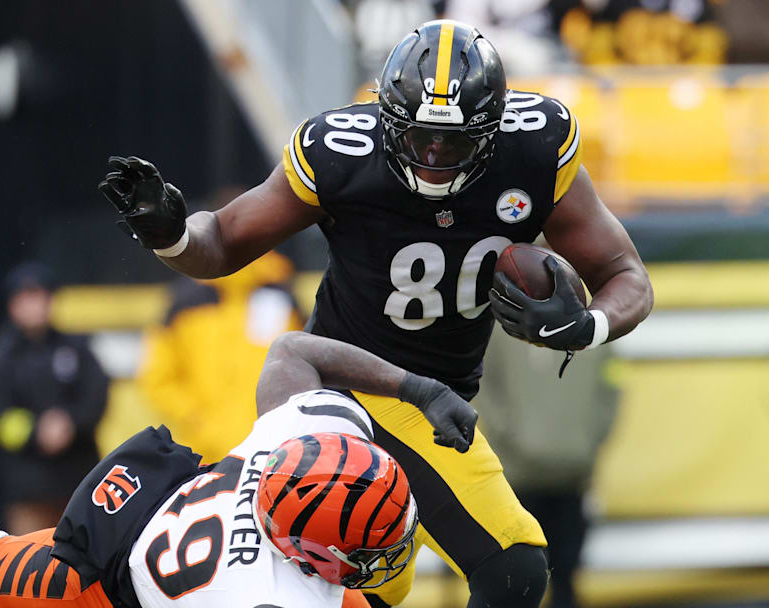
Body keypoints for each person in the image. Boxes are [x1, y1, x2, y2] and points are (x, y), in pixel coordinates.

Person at [99, 19, 653, 607]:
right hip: (343, 390)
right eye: (420, 140)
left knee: (382, 592)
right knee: (510, 564)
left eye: (456, 143)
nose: (436, 158)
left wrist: (587, 326)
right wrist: (174, 235)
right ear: (388, 125)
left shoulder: (537, 148)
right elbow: (225, 243)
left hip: (443, 399)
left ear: (492, 133)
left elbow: (626, 276)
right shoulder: (340, 154)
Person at [0, 322, 477, 607]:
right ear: (305, 551)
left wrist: (416, 389)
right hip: (114, 579)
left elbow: (292, 351)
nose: (394, 550)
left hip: (169, 507)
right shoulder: (272, 597)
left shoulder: (296, 439)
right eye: (363, 549)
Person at [471, 330, 619, 608]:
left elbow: (612, 385)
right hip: (518, 477)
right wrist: (508, 432)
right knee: (518, 577)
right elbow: (484, 381)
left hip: (572, 475)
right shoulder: (501, 330)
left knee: (565, 572)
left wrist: (590, 440)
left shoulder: (596, 330)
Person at [0, 263, 109, 534]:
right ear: (12, 304)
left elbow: (96, 398)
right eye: (26, 298)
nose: (35, 306)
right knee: (32, 566)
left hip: (80, 484)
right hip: (27, 488)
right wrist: (37, 432)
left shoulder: (76, 348)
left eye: (40, 296)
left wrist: (70, 423)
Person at [138, 250, 303, 461]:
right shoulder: (184, 303)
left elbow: (301, 369)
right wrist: (197, 421)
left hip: (275, 451)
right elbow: (158, 378)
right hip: (204, 456)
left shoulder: (280, 296)